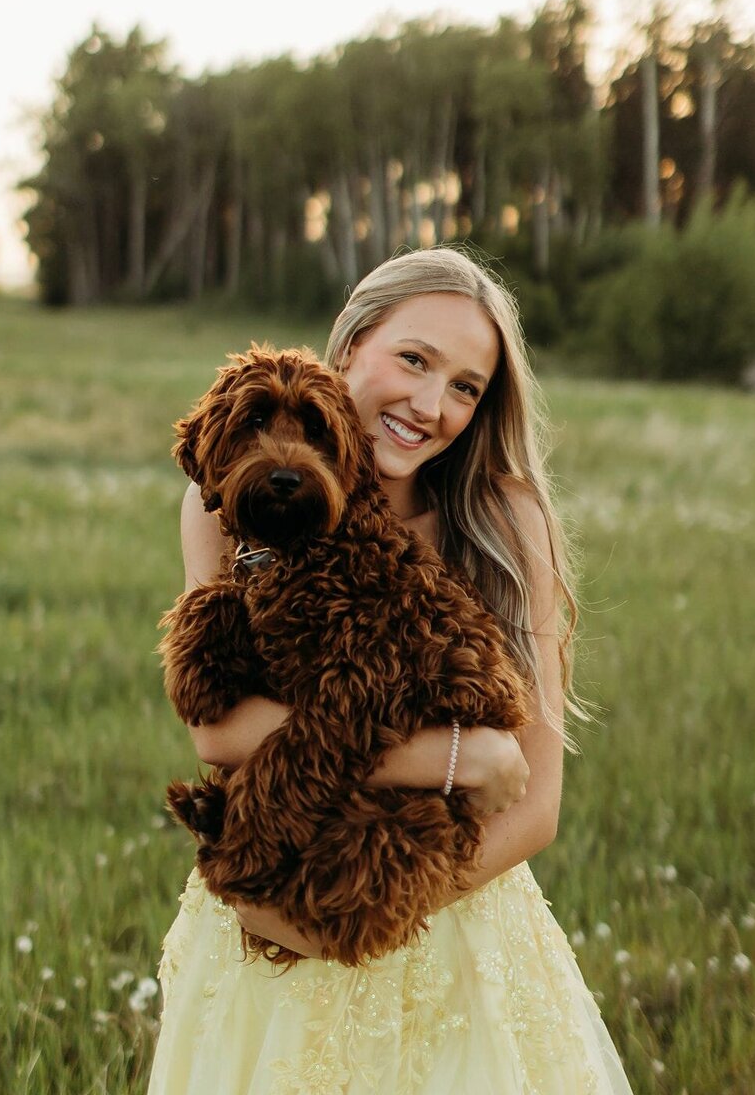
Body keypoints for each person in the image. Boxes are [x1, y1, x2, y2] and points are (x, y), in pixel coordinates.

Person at [146, 246, 634, 1094]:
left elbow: (537, 803)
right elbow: (217, 727)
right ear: (349, 349)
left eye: (465, 388)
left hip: (446, 915)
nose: (429, 405)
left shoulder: (502, 519)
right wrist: (457, 758)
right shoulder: (230, 496)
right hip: (271, 895)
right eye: (414, 359)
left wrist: (353, 923)